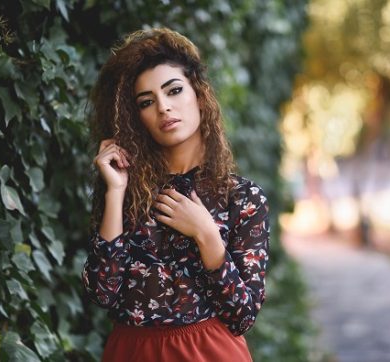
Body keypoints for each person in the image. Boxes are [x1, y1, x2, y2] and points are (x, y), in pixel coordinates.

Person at [81, 27, 269, 362]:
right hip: (131, 352)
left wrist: (206, 233)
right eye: (147, 102)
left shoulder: (241, 197)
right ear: (136, 117)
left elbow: (243, 315)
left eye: (174, 90)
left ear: (199, 94)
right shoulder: (125, 187)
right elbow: (102, 292)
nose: (164, 108)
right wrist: (115, 191)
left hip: (209, 352)